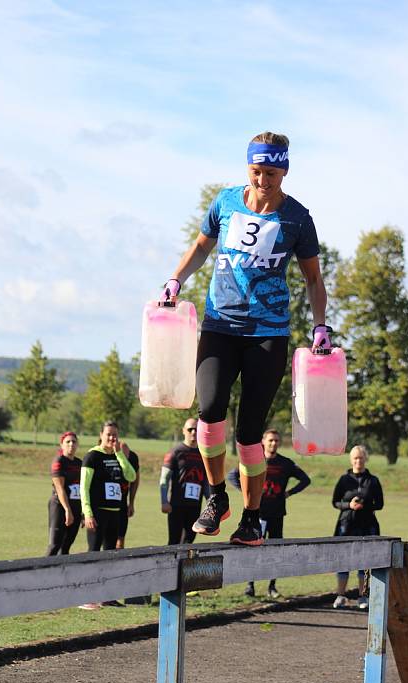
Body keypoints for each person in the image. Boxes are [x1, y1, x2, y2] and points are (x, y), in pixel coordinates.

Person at [161, 131, 329, 547]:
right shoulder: (225, 202)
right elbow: (201, 247)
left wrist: (321, 325)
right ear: (247, 169)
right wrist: (175, 280)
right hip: (220, 326)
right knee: (210, 413)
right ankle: (217, 497)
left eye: (271, 172)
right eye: (256, 171)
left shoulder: (298, 219)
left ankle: (252, 519)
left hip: (267, 334)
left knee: (249, 433)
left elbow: (312, 278)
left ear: (284, 171)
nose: (262, 180)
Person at [227, 429, 311, 598]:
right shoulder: (254, 461)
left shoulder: (285, 463)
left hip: (277, 514)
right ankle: (250, 585)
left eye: (276, 441)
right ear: (263, 441)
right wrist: (247, 492)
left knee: (276, 550)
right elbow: (232, 476)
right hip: (257, 515)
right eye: (271, 440)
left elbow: (306, 480)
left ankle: (272, 586)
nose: (274, 443)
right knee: (253, 550)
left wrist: (289, 492)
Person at [79, 420, 137, 610]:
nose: (112, 438)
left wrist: (119, 453)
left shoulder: (119, 455)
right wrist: (87, 513)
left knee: (110, 555)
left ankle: (106, 596)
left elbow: (131, 476)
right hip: (97, 513)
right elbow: (84, 488)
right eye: (109, 434)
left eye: (115, 435)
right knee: (94, 553)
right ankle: (87, 597)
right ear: (101, 435)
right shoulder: (92, 456)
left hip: (115, 514)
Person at [331, 445, 384, 610]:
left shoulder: (373, 481)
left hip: (366, 525)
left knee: (364, 563)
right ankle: (341, 595)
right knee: (343, 561)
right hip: (346, 525)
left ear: (365, 459)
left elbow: (380, 504)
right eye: (355, 458)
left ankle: (363, 596)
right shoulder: (344, 480)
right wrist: (349, 505)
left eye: (361, 458)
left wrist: (365, 505)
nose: (358, 461)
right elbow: (335, 502)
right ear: (351, 460)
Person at [160, 418, 209, 545]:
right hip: (176, 505)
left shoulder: (204, 454)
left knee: (188, 541)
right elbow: (164, 479)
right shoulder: (175, 452)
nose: (193, 432)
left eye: (196, 429)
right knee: (174, 542)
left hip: (195, 506)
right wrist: (164, 501)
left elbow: (206, 482)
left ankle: (184, 565)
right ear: (183, 431)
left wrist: (209, 503)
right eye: (190, 429)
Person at [46, 431, 82, 556]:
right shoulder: (58, 461)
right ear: (61, 444)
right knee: (54, 546)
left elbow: (81, 488)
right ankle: (43, 572)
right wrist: (67, 510)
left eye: (74, 441)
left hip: (76, 506)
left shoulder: (79, 463)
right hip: (59, 506)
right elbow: (60, 488)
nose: (71, 444)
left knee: (66, 547)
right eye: (68, 441)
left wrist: (83, 511)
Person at [116, 448, 140, 550]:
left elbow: (135, 479)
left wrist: (131, 503)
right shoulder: (97, 454)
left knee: (120, 543)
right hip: (102, 507)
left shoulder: (132, 456)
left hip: (122, 505)